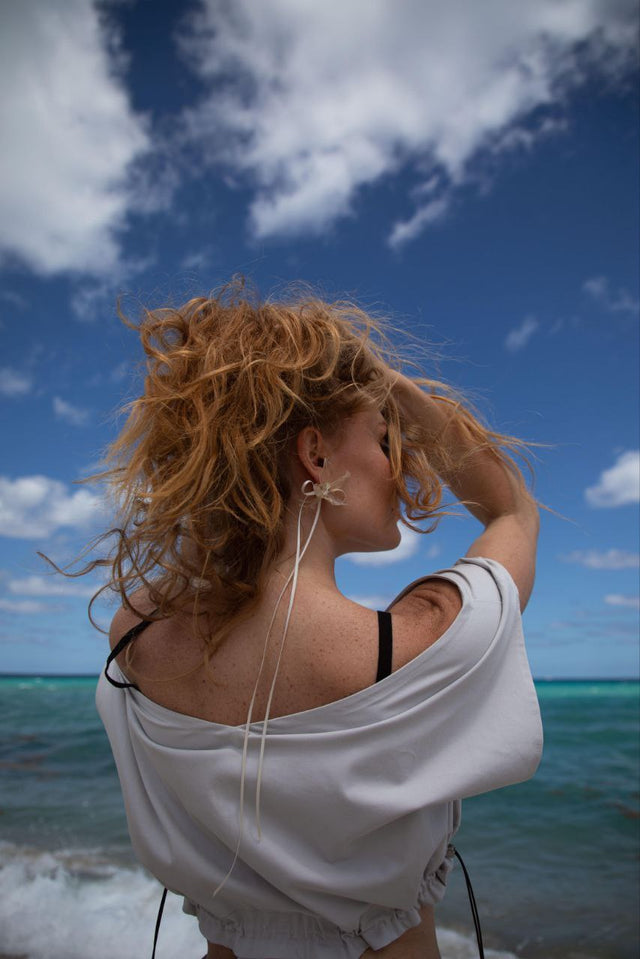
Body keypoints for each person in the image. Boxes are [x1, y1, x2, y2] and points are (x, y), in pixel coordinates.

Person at [84, 282, 542, 959]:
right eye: (387, 441)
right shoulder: (410, 647)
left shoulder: (137, 634)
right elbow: (510, 509)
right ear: (317, 456)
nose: (402, 466)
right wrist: (393, 386)